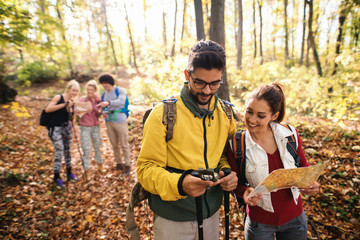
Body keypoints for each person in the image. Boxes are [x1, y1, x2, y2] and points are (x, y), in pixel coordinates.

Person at [136, 40, 238, 240]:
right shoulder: (163, 114)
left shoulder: (225, 113)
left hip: (211, 215)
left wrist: (227, 172)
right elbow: (145, 169)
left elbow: (225, 156)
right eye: (199, 82)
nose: (207, 91)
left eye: (215, 83)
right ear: (187, 75)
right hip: (172, 220)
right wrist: (180, 183)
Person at [228, 83, 320, 240]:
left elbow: (303, 165)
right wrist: (244, 191)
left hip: (295, 220)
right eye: (249, 111)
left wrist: (311, 183)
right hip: (259, 225)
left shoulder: (289, 134)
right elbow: (233, 183)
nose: (251, 119)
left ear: (274, 116)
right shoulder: (236, 144)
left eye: (260, 115)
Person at [45, 79, 80, 189]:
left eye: (77, 91)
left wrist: (72, 109)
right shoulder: (58, 98)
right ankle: (56, 176)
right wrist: (64, 105)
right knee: (59, 150)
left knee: (68, 150)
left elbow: (71, 117)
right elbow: (48, 109)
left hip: (67, 128)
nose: (74, 93)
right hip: (56, 128)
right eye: (73, 90)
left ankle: (69, 172)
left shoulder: (72, 101)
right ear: (68, 89)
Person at [97, 73, 131, 176]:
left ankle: (127, 165)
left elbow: (121, 101)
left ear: (110, 82)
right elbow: (104, 106)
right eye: (103, 83)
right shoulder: (103, 94)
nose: (105, 85)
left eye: (106, 83)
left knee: (124, 144)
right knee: (114, 144)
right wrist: (103, 110)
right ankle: (119, 163)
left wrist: (108, 103)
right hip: (109, 121)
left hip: (120, 120)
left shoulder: (119, 91)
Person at [76, 80, 103, 175]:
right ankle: (86, 169)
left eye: (91, 90)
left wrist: (97, 110)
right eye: (87, 90)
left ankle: (100, 165)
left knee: (97, 147)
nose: (89, 92)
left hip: (95, 126)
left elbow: (100, 112)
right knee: (86, 149)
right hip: (85, 127)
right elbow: (77, 110)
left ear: (95, 90)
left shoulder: (98, 100)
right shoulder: (83, 99)